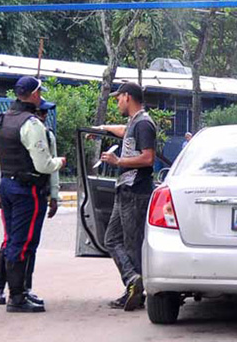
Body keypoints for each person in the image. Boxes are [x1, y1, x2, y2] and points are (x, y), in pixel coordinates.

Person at [0, 76, 66, 313]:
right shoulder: (31, 124)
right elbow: (43, 165)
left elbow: (0, 158)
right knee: (22, 242)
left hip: (8, 186)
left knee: (14, 239)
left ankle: (18, 291)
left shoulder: (3, 120)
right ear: (34, 95)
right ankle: (17, 297)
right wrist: (59, 163)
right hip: (27, 190)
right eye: (40, 93)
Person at [94, 82, 156, 311]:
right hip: (125, 190)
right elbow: (125, 131)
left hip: (136, 191)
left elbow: (148, 158)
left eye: (118, 98)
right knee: (111, 239)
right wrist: (103, 128)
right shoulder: (134, 123)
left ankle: (135, 288)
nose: (117, 102)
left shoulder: (144, 124)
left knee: (132, 244)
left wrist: (118, 161)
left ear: (127, 97)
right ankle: (132, 282)